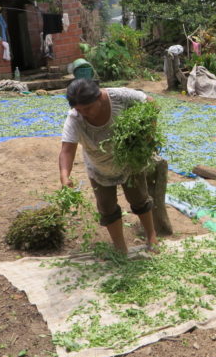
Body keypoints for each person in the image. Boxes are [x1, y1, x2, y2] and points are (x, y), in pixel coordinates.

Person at [59, 78, 158, 254]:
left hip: (130, 161)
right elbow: (67, 150)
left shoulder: (120, 97)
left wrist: (149, 134)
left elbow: (151, 103)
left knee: (140, 200)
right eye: (79, 109)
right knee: (107, 208)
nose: (84, 113)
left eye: (88, 108)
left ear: (99, 98)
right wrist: (65, 177)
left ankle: (152, 237)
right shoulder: (75, 118)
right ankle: (120, 248)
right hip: (99, 167)